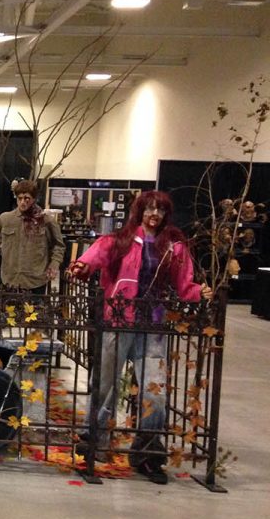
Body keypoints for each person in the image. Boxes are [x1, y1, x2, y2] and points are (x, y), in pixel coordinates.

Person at [66, 190, 212, 483]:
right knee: (105, 384)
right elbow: (93, 258)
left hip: (153, 326)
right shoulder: (118, 241)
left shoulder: (174, 246)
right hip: (119, 320)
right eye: (149, 209)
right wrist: (81, 267)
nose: (154, 215)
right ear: (140, 211)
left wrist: (199, 292)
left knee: (153, 392)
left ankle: (147, 453)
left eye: (159, 210)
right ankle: (94, 444)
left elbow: (185, 285)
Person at [0, 179, 65, 292]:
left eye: (27, 198)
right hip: (10, 280)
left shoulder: (46, 221)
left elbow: (59, 246)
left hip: (36, 281)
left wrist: (54, 265)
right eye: (20, 198)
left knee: (36, 310)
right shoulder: (6, 219)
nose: (23, 202)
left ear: (33, 199)